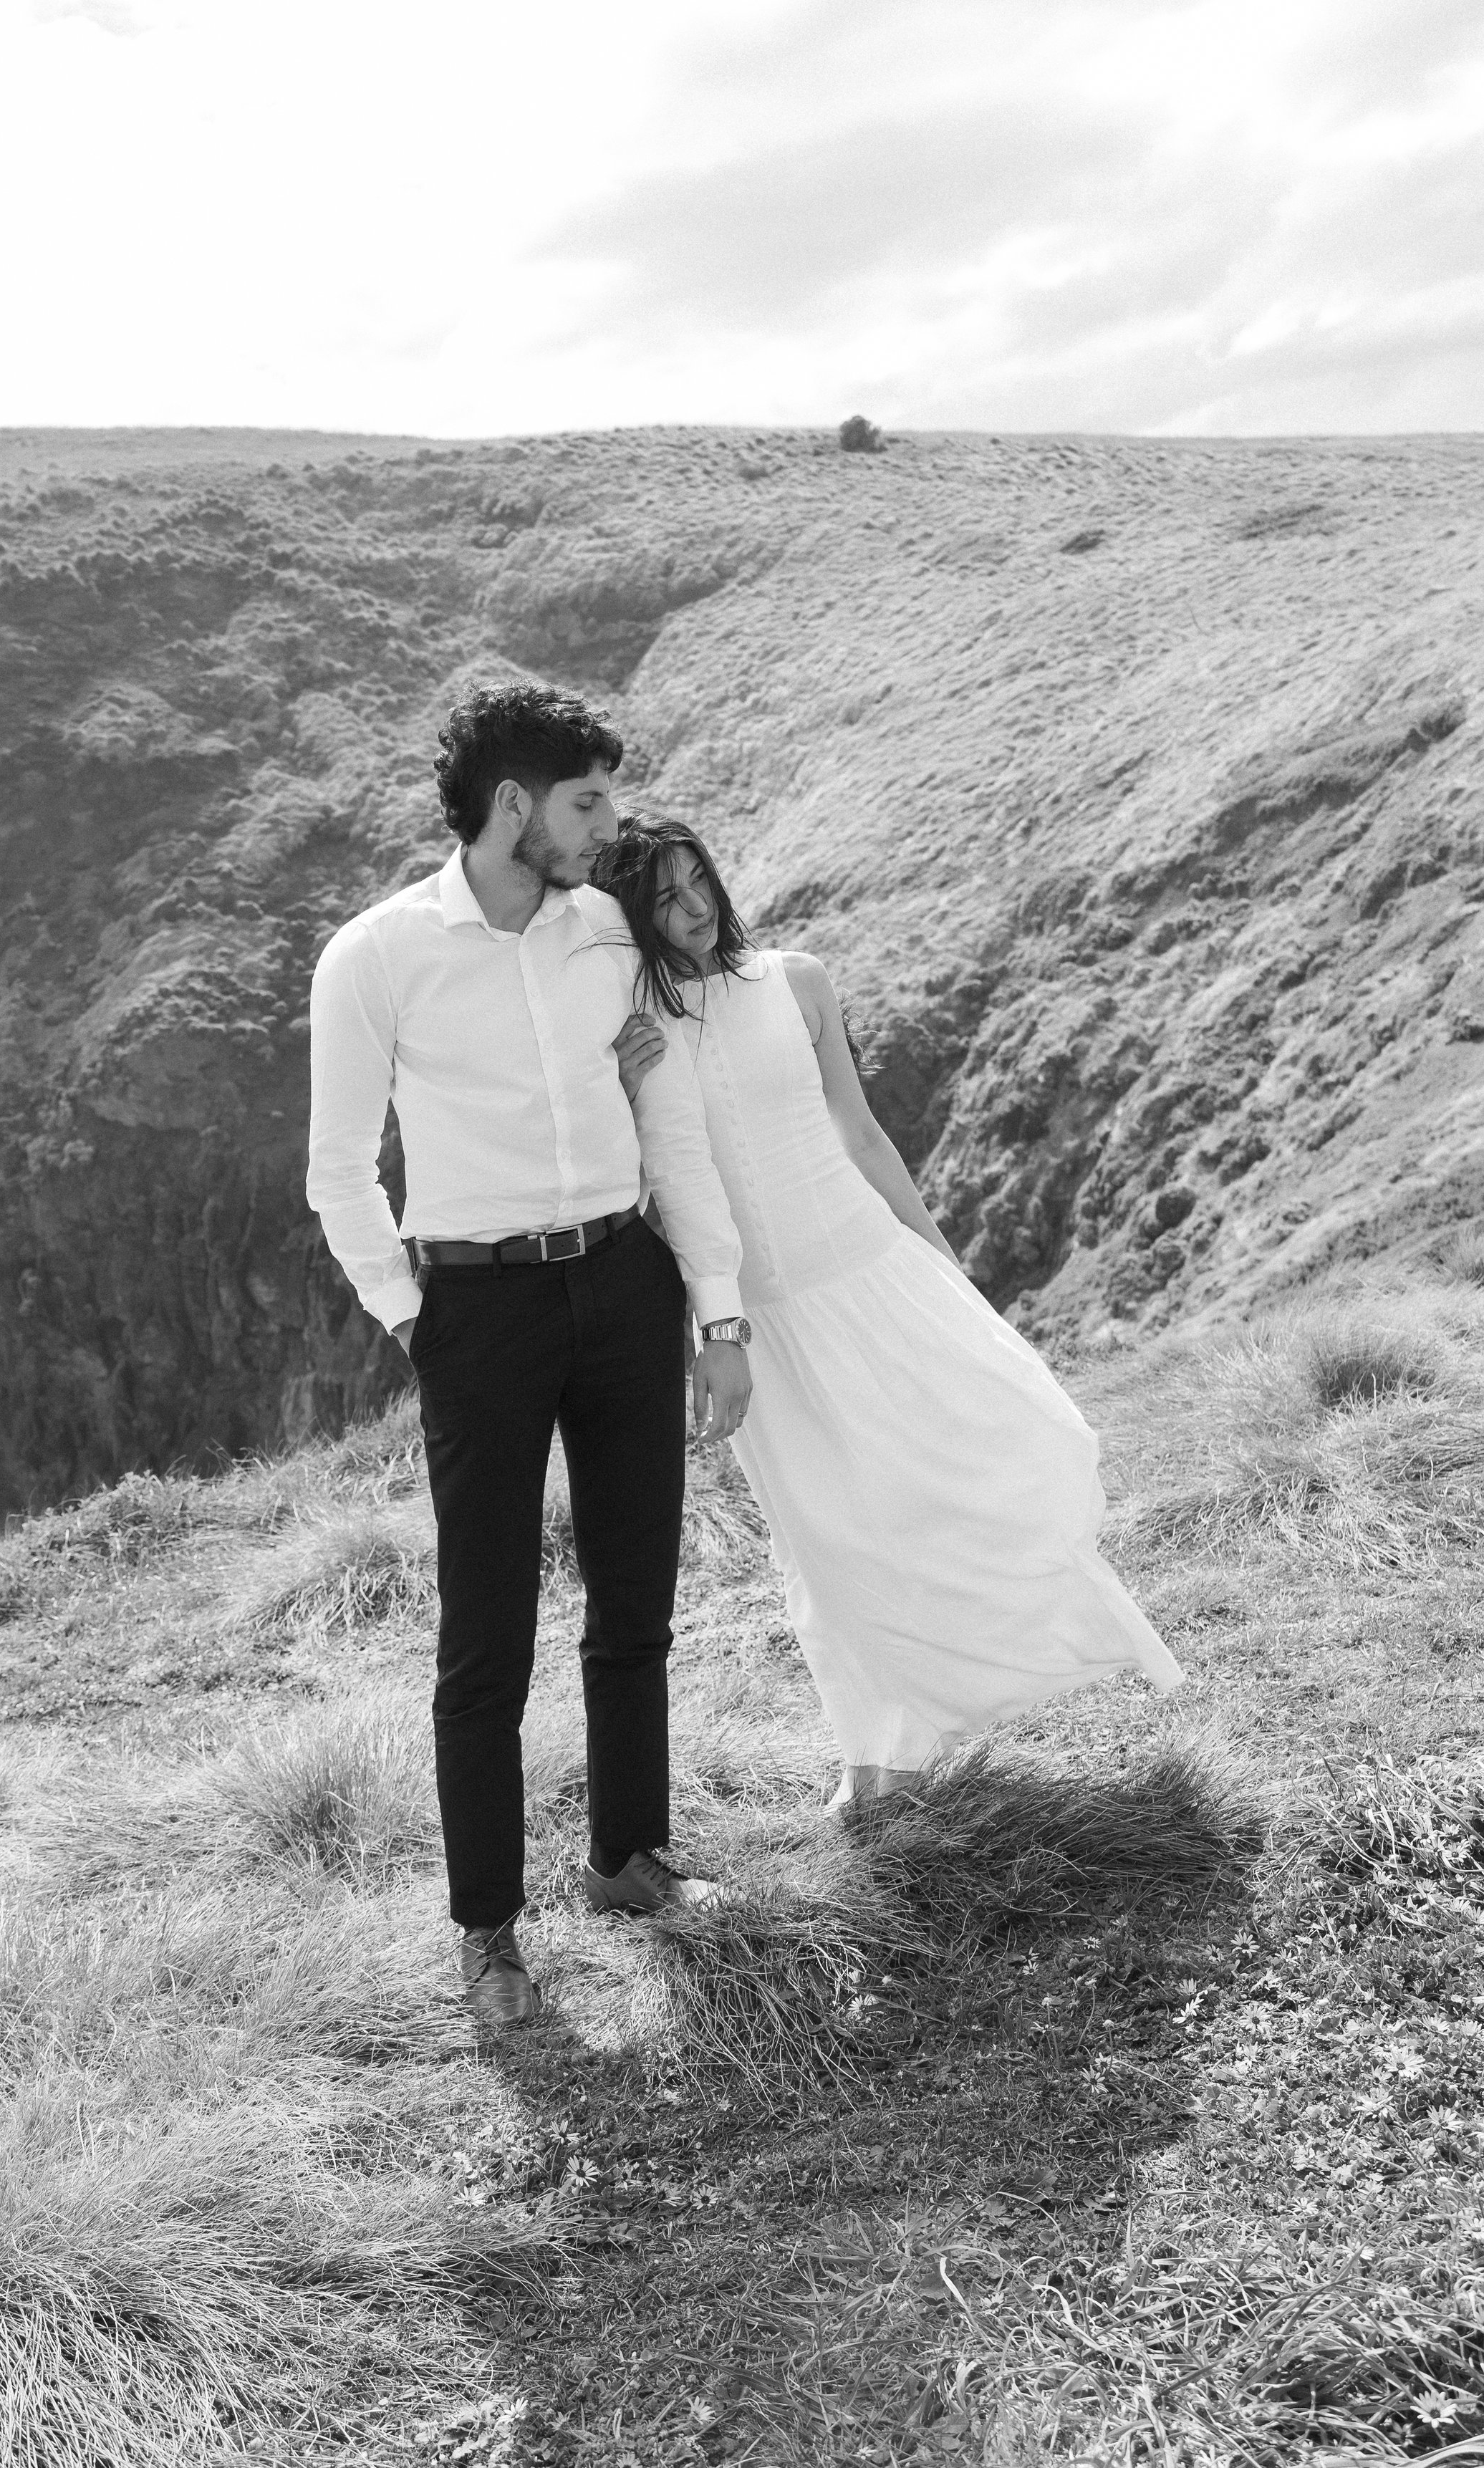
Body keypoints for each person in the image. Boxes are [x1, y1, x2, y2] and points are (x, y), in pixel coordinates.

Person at [306, 689, 752, 2028]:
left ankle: (628, 1855)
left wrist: (714, 1308)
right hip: (478, 1312)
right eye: (587, 805)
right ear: (515, 807)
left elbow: (667, 1117)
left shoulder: (606, 930)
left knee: (636, 1599)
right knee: (485, 1633)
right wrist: (415, 1316)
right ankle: (488, 1928)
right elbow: (336, 1172)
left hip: (624, 1281)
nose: (609, 830)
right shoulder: (377, 955)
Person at [597, 816, 1182, 1805]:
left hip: (869, 1269)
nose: (694, 910)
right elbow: (654, 1191)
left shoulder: (798, 979)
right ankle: (874, 1753)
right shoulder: (635, 1029)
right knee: (826, 1539)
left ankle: (934, 1721)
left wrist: (942, 1265)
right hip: (762, 1322)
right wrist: (709, 1321)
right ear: (634, 918)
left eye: (700, 885)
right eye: (665, 899)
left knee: (950, 1475)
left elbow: (862, 1136)